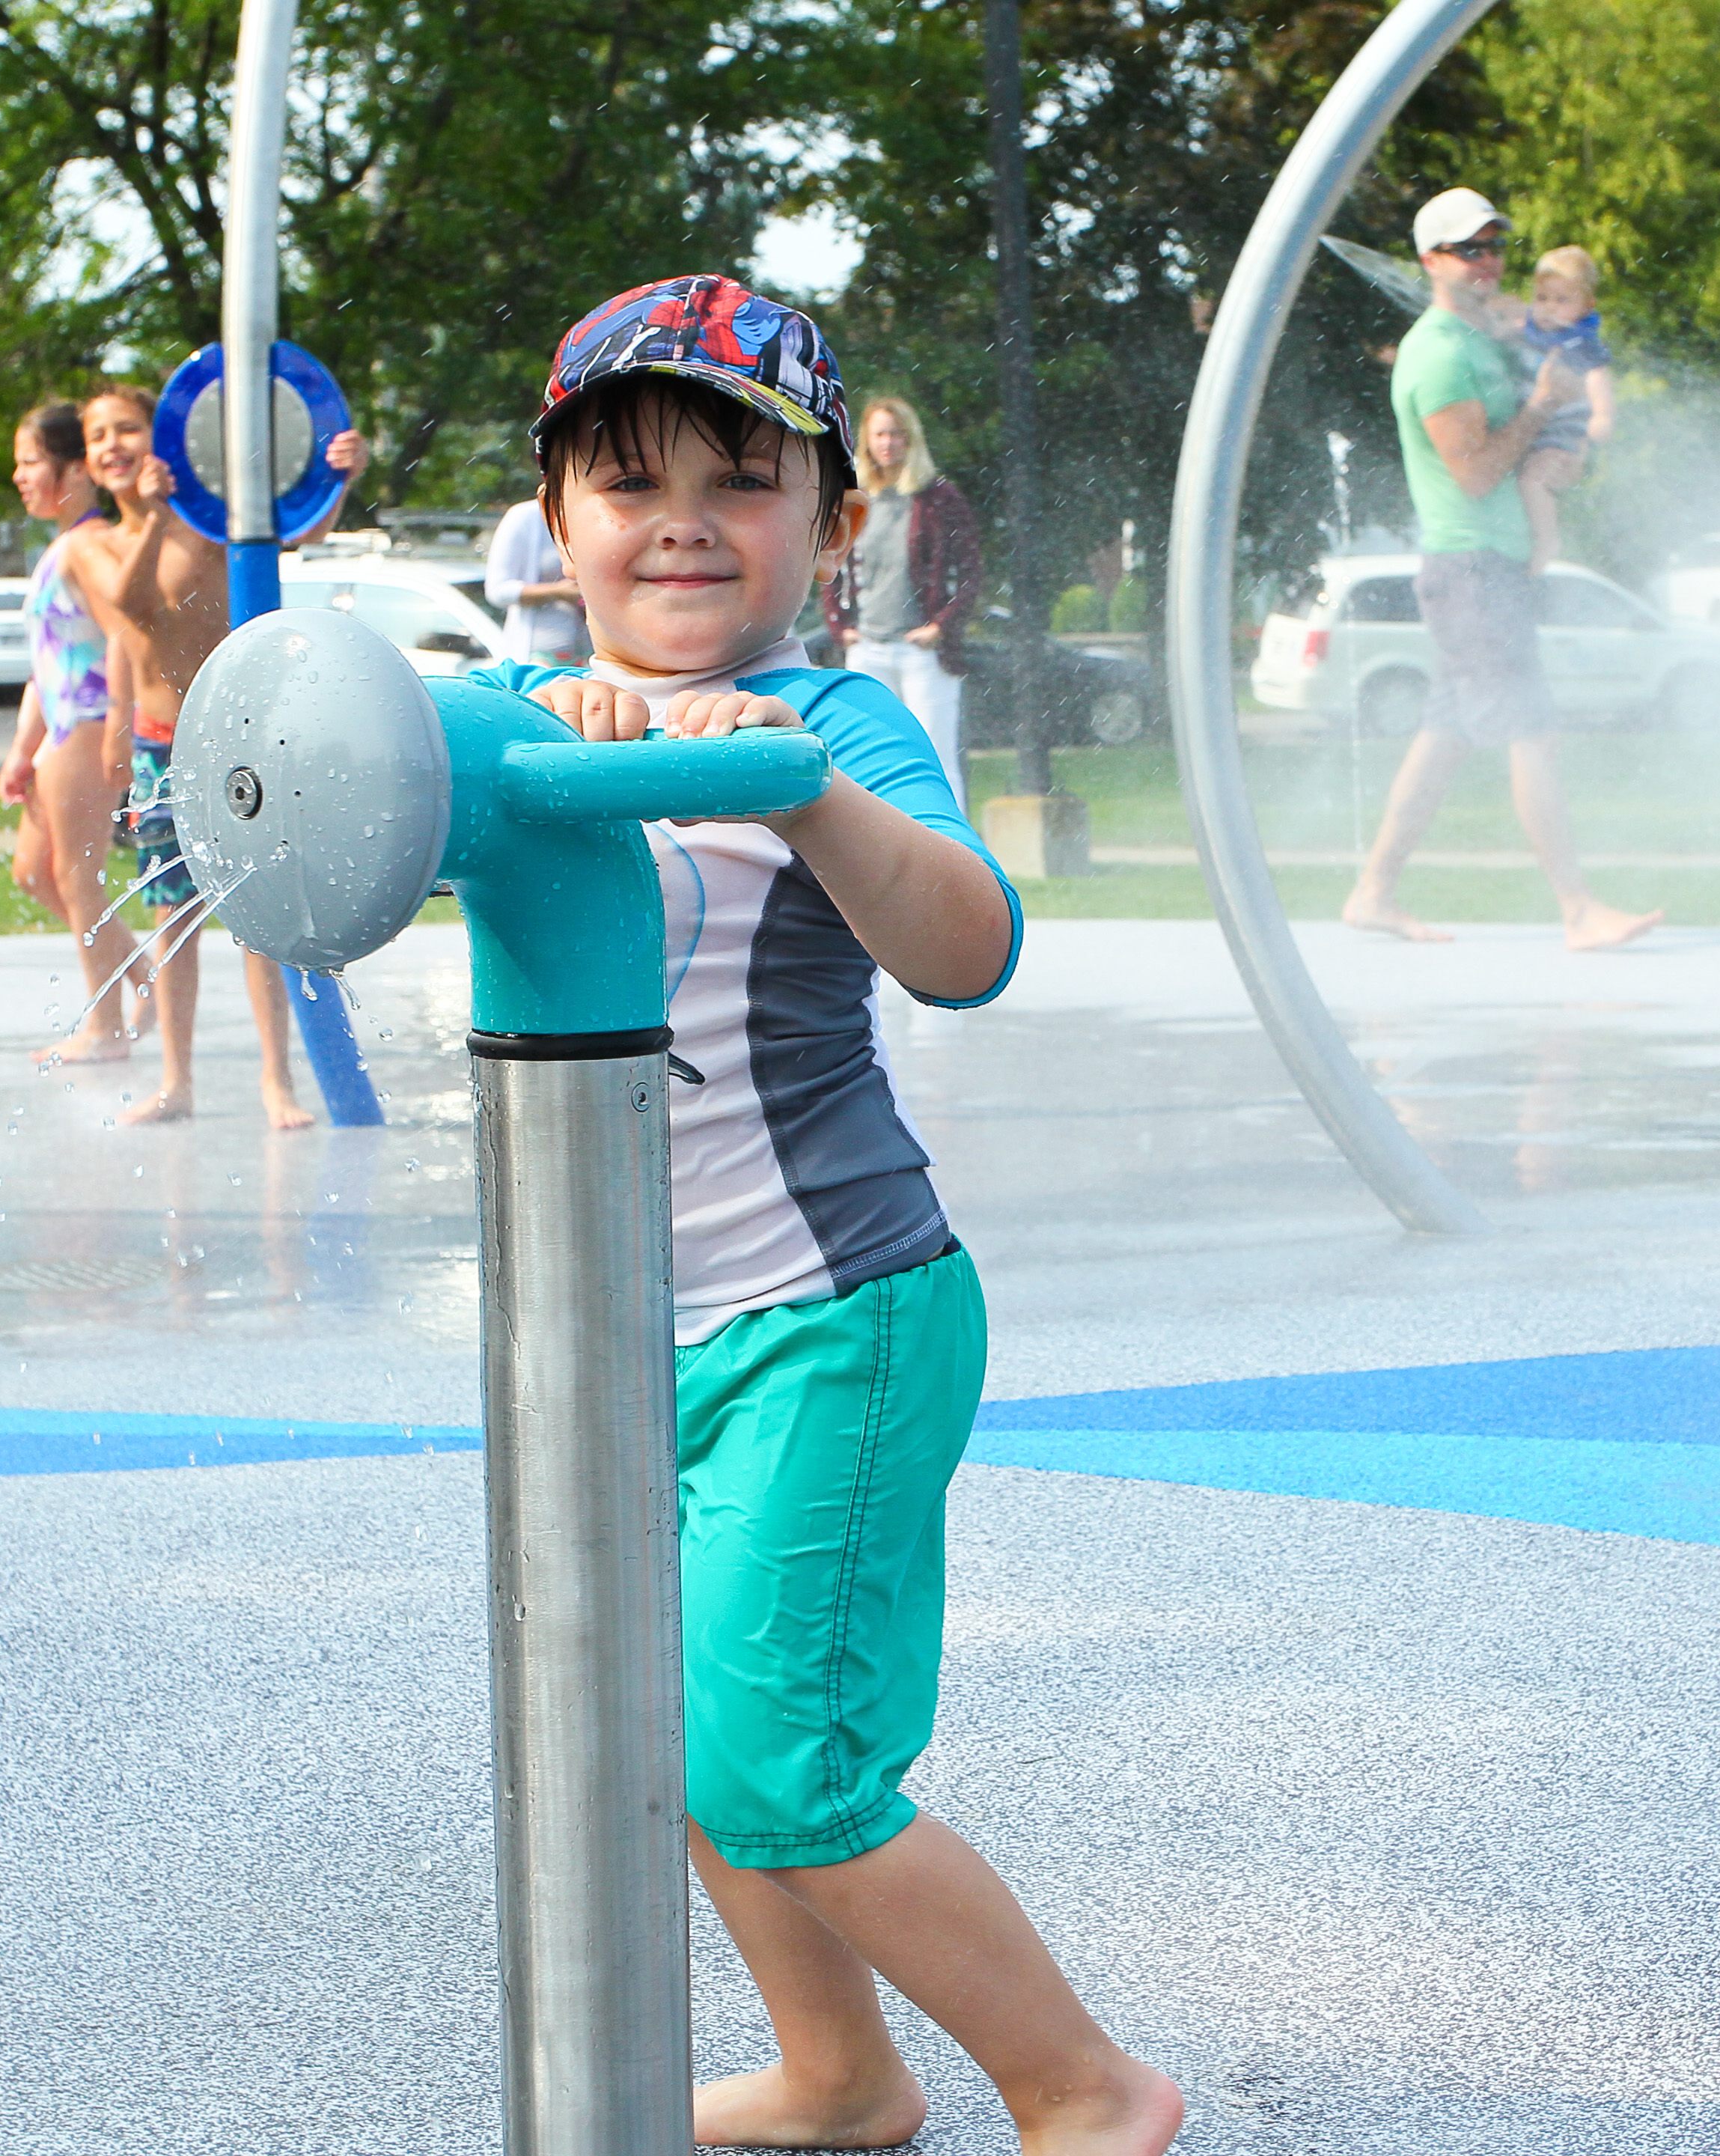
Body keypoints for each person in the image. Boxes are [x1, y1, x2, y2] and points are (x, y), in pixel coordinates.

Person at [475, 274, 1180, 2155]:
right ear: (559, 523)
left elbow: (967, 947)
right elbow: (354, 798)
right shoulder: (515, 710)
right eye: (627, 481)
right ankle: (842, 2076)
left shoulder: (833, 718)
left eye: (742, 476)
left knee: (786, 1762)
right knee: (693, 1738)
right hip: (640, 1333)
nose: (683, 516)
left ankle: (1085, 2087)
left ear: (833, 517)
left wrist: (789, 792)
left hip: (832, 1314)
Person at [1341, 188, 1661, 953]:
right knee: (1535, 732)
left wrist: (1562, 449)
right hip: (1472, 574)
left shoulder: (1480, 336)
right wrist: (1542, 411)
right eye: (1469, 249)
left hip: (1489, 570)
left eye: (1495, 246)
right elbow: (1477, 472)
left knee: (1444, 738)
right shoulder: (1439, 354)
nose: (1488, 261)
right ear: (1430, 261)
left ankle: (1373, 892)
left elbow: (1539, 333)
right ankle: (1577, 909)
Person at [61, 384, 363, 1127]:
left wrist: (340, 479)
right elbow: (129, 607)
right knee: (172, 916)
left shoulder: (211, 515)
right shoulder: (89, 544)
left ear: (163, 435)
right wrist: (156, 515)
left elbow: (301, 531)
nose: (112, 444)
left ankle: (275, 1081)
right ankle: (176, 1082)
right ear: (92, 465)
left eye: (127, 427)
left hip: (239, 730)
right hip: (163, 744)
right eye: (98, 436)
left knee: (255, 913)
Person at [0, 401, 145, 1068]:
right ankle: (143, 978)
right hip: (59, 729)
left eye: (31, 462)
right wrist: (21, 749)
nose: (21, 476)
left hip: (88, 727)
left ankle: (106, 1028)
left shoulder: (87, 544)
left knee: (77, 876)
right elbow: (46, 663)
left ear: (75, 470)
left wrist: (119, 731)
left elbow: (124, 634)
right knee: (35, 873)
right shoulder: (62, 547)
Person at [825, 395, 981, 808]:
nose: (888, 443)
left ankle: (958, 857)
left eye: (896, 433)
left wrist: (941, 627)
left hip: (922, 652)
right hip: (868, 650)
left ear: (911, 440)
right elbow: (829, 562)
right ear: (867, 441)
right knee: (867, 760)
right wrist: (841, 628)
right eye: (880, 433)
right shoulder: (853, 497)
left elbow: (971, 572)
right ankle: (880, 858)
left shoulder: (938, 499)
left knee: (936, 757)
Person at [1507, 244, 1615, 573]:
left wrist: (1602, 416)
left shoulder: (1580, 343)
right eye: (1542, 298)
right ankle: (1528, 537)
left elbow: (1598, 377)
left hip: (1562, 432)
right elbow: (1511, 324)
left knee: (1532, 482)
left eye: (1562, 300)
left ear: (1586, 307)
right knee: (1519, 478)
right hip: (1538, 425)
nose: (1549, 308)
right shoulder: (1533, 330)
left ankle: (1547, 540)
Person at [482, 493, 584, 662]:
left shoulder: (589, 511)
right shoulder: (524, 517)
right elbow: (497, 590)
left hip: (587, 652)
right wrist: (558, 592)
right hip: (540, 652)